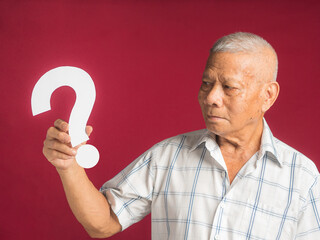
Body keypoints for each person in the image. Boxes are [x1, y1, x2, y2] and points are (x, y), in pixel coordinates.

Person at [43, 32, 320, 239]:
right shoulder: (167, 156)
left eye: (229, 87)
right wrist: (68, 166)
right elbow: (102, 223)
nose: (211, 97)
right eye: (206, 83)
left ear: (267, 95)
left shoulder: (303, 178)